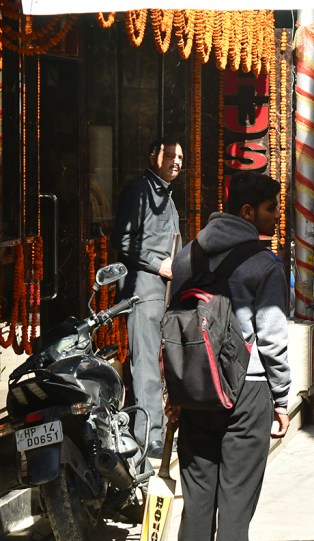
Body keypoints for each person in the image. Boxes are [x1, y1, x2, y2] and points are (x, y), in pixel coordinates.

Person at [170, 170, 291, 541]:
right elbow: (273, 338)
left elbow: (176, 320)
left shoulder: (188, 256)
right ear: (247, 212)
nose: (276, 216)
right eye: (270, 208)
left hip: (196, 387)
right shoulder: (264, 264)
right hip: (247, 389)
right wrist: (282, 398)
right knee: (237, 497)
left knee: (199, 492)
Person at [113, 136, 184, 459]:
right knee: (146, 364)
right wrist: (159, 264)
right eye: (170, 155)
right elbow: (123, 240)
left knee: (154, 362)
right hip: (144, 288)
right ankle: (149, 436)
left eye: (180, 157)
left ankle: (149, 428)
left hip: (163, 289)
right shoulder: (140, 191)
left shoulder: (166, 195)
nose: (176, 161)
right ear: (153, 156)